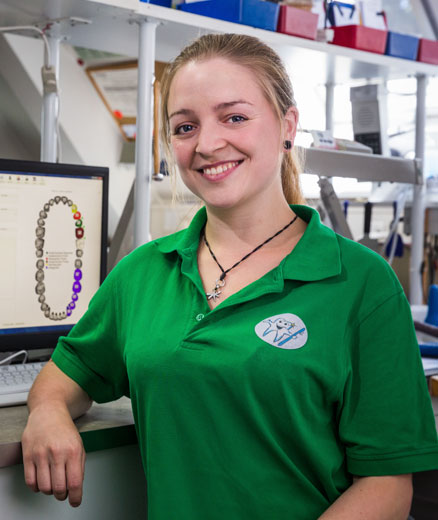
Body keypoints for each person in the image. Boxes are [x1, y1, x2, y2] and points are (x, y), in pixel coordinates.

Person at [22, 33, 438, 519]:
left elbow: (387, 486)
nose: (207, 144)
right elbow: (65, 374)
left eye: (234, 117)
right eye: (185, 127)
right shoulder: (143, 272)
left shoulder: (362, 283)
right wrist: (47, 412)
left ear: (287, 126)